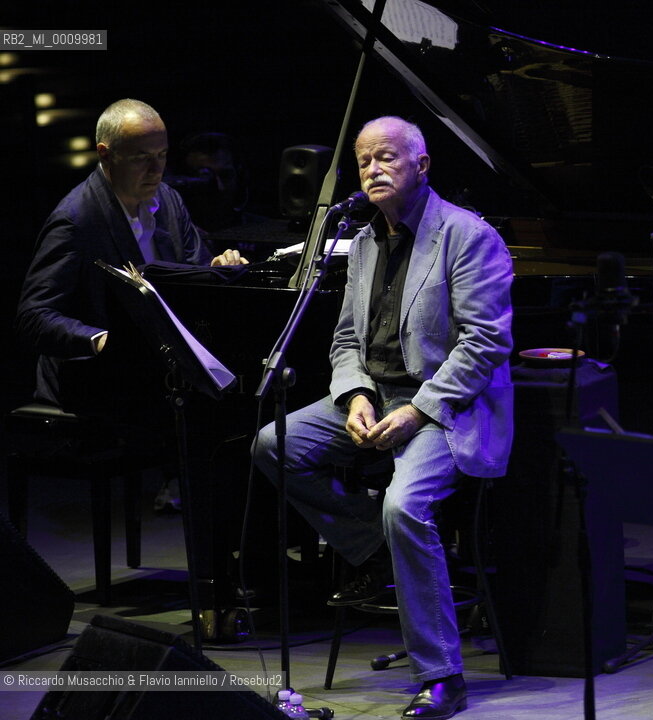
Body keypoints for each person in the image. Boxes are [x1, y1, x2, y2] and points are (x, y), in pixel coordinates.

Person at [252, 116, 514, 720]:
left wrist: (418, 412)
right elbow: (346, 338)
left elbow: (484, 345)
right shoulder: (365, 239)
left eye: (387, 158)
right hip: (379, 395)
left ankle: (442, 674)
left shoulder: (467, 236)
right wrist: (355, 396)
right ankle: (376, 546)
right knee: (272, 445)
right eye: (364, 159)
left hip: (447, 406)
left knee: (406, 507)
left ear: (422, 166)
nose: (371, 169)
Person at [15, 98, 248, 413]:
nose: (157, 170)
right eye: (142, 158)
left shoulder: (169, 201)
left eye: (162, 155)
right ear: (105, 154)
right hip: (98, 384)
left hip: (157, 373)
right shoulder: (76, 220)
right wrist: (100, 340)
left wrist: (216, 269)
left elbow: (193, 273)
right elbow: (34, 317)